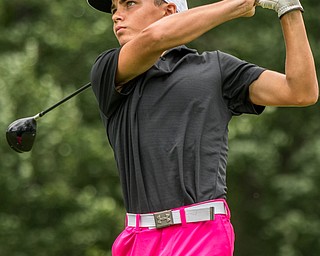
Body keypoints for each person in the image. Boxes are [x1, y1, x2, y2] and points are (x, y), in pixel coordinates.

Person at [87, 0, 318, 255]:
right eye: (114, 9)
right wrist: (238, 4)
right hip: (138, 239)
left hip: (202, 233)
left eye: (130, 3)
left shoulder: (216, 68)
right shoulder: (108, 70)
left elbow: (301, 91)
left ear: (170, 10)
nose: (117, 16)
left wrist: (289, 9)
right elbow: (155, 37)